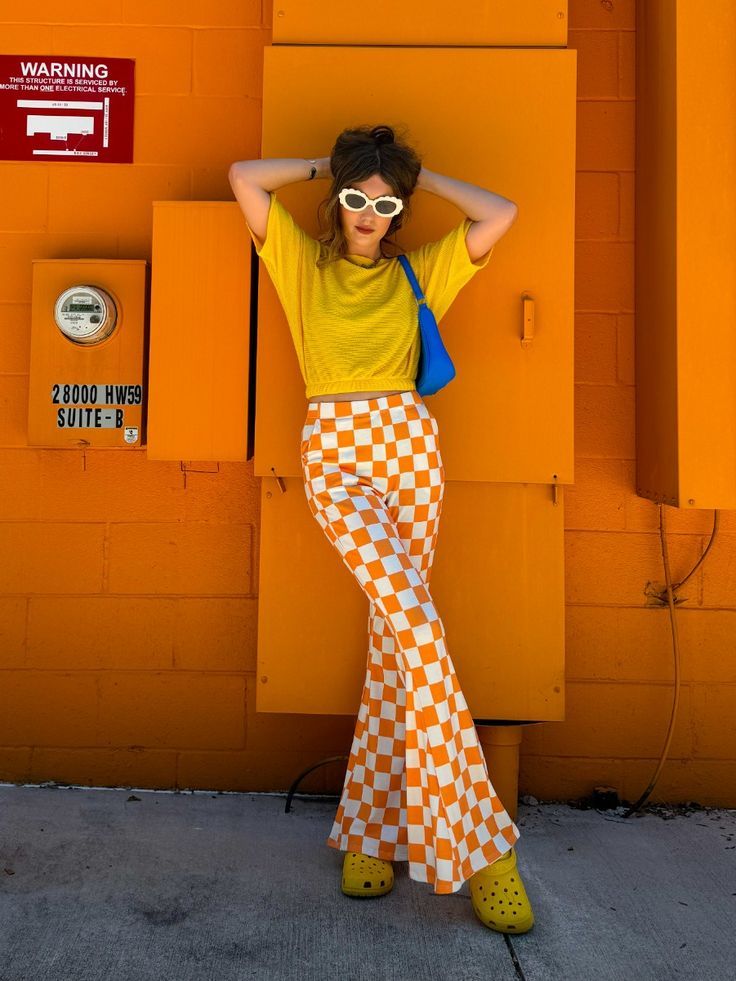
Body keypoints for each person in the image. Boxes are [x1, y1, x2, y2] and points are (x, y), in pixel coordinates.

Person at [228, 123, 535, 933]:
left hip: (410, 447)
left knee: (396, 643)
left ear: (399, 211)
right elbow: (244, 178)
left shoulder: (416, 270)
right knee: (418, 629)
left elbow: (501, 213)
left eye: (385, 203)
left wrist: (417, 181)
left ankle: (369, 832)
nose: (369, 214)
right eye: (357, 199)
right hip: (336, 452)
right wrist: (326, 166)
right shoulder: (302, 264)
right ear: (337, 201)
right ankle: (487, 848)